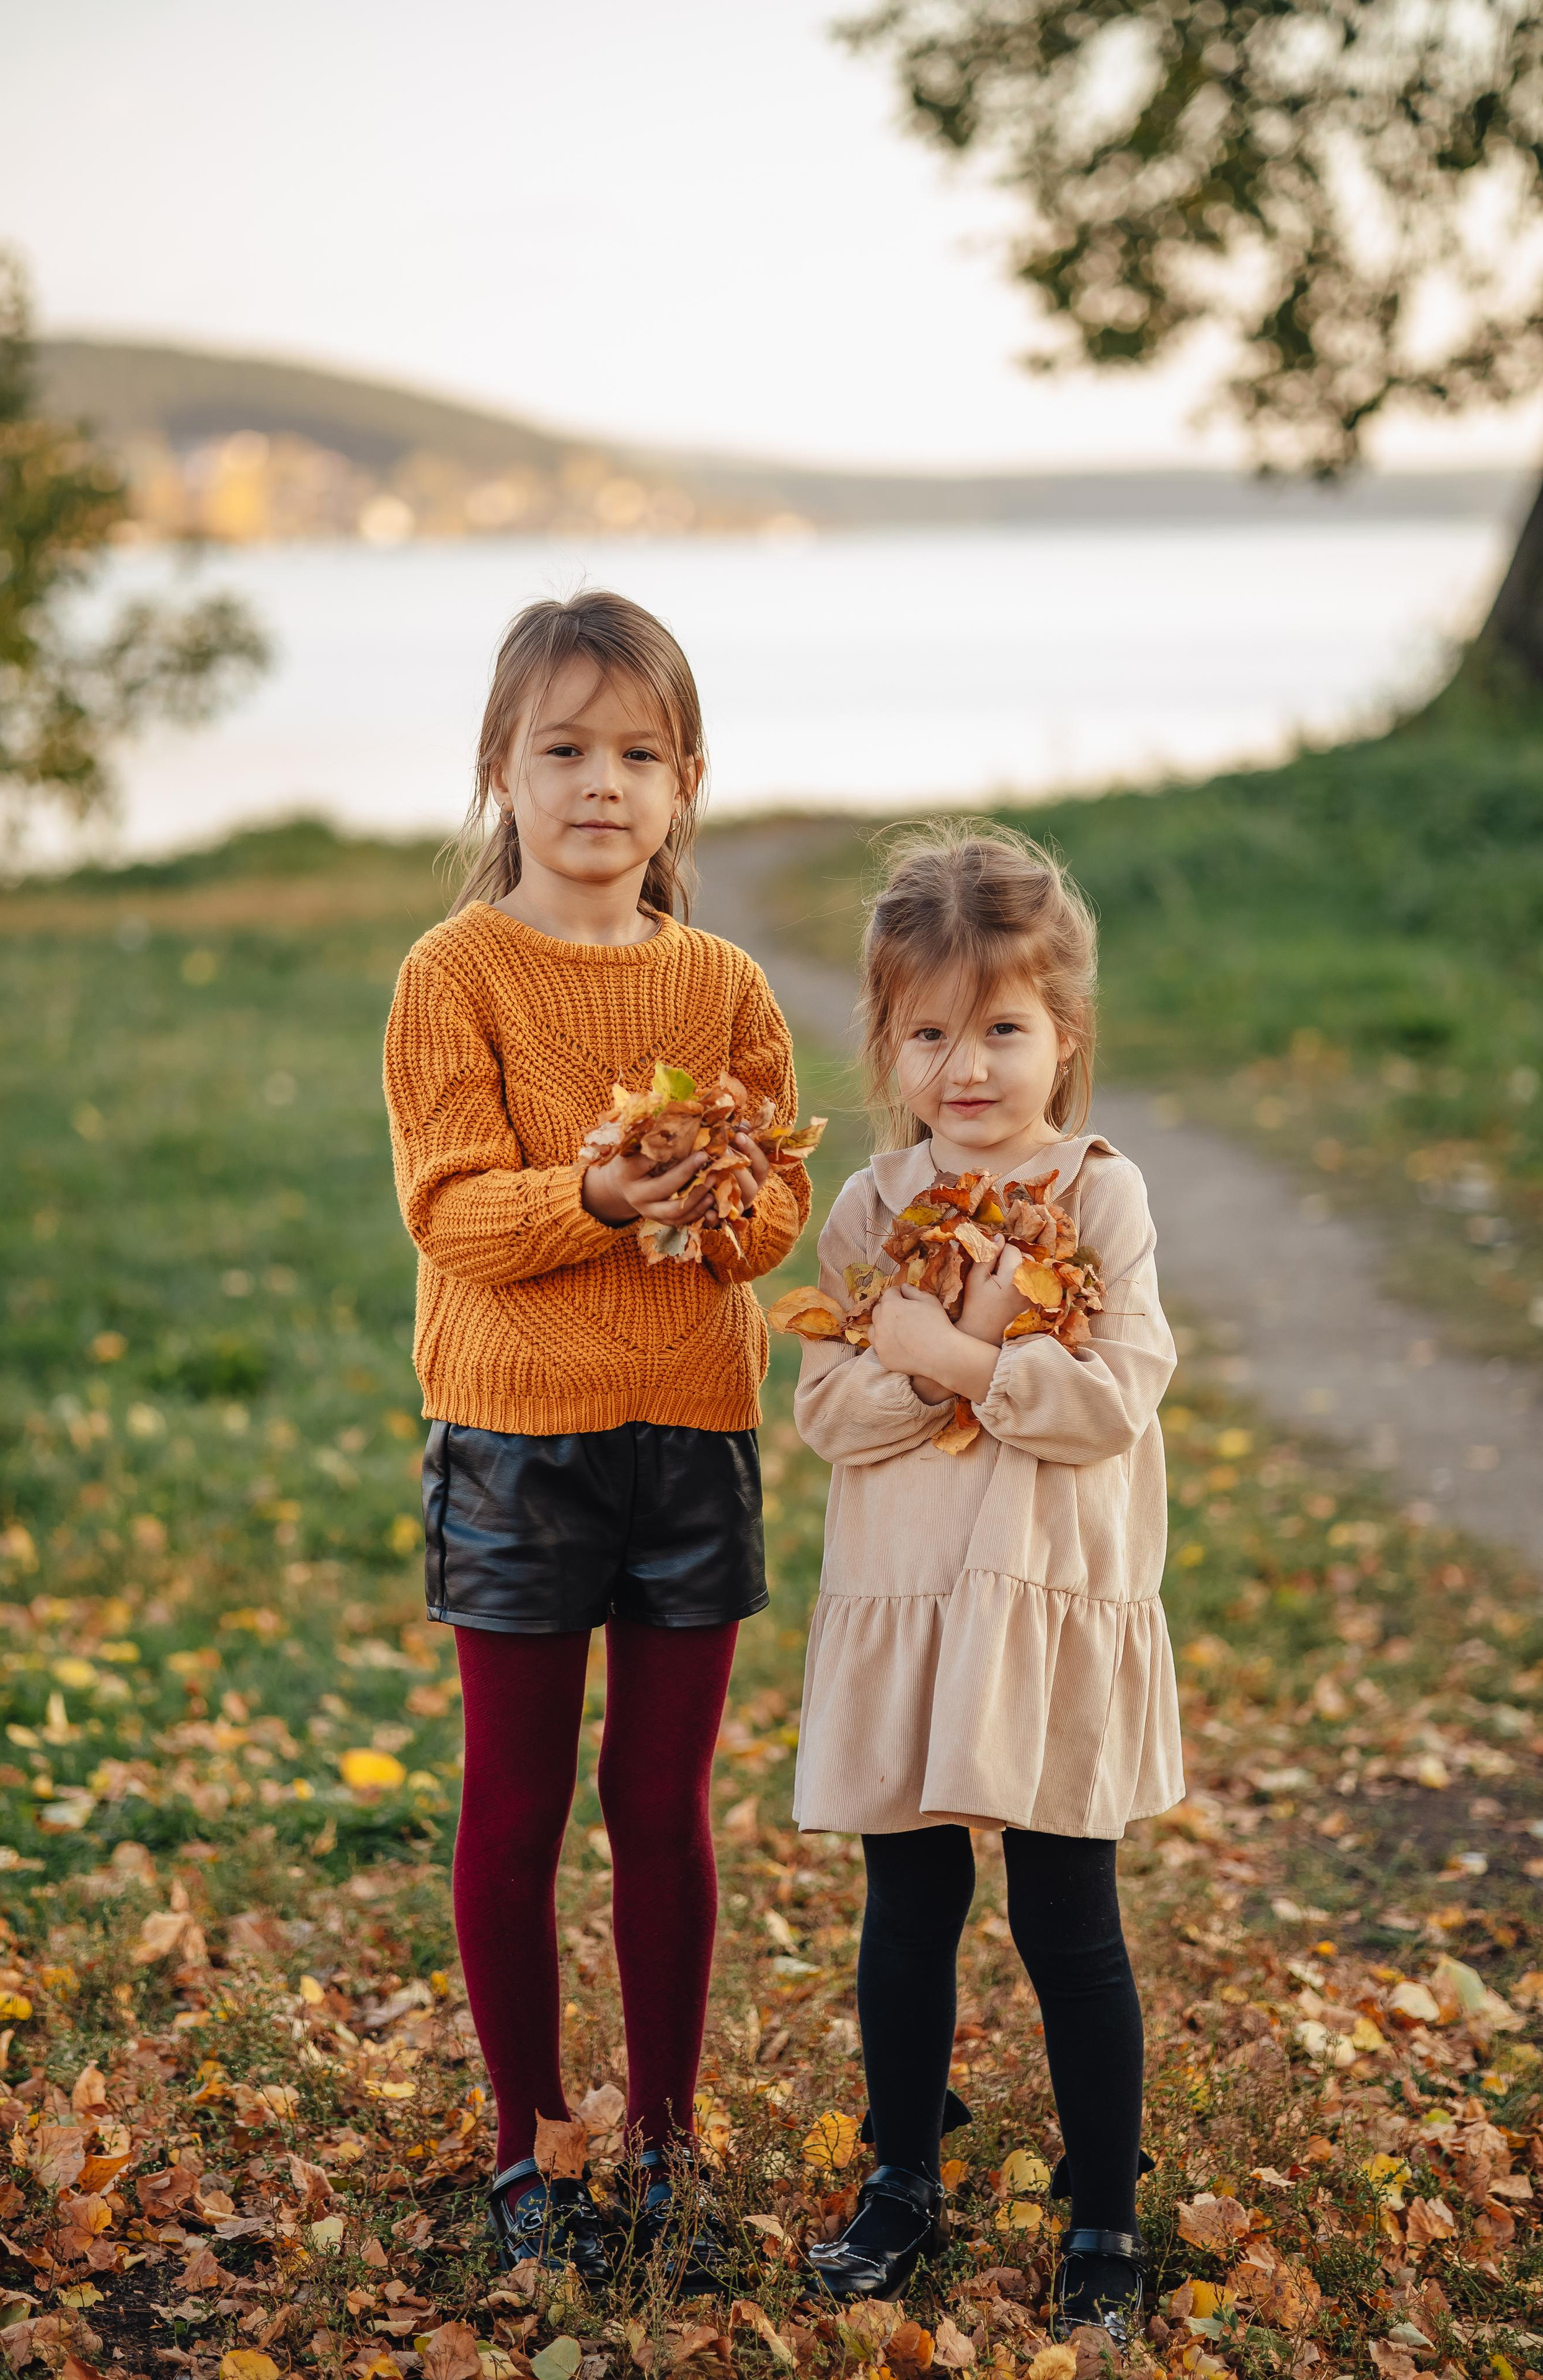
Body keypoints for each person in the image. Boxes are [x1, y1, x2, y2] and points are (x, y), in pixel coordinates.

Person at [382, 591, 811, 2288]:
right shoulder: (454, 974)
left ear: (687, 782)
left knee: (664, 1802)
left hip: (691, 1432)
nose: (599, 786)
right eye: (562, 750)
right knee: (519, 1802)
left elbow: (775, 1205)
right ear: (501, 770)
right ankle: (527, 2140)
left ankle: (666, 2129)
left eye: (638, 754)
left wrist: (716, 1206)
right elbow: (449, 1211)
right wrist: (592, 1193)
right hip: (515, 1440)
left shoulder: (722, 984)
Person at [789, 827, 1182, 2338]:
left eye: (1002, 1028)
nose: (967, 1064)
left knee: (1065, 1912)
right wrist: (931, 1358)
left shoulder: (1099, 1194)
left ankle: (1100, 2212)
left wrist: (954, 1355)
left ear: (1061, 1039)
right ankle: (900, 2178)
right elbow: (827, 1410)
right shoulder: (869, 1212)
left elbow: (1114, 1397)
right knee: (909, 1898)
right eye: (930, 1030)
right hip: (907, 1601)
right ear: (886, 1045)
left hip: (1043, 1601)